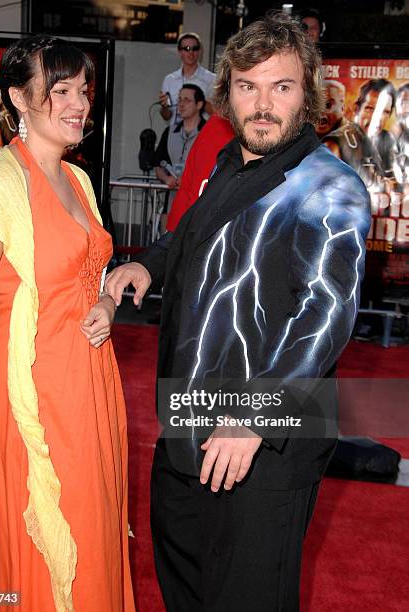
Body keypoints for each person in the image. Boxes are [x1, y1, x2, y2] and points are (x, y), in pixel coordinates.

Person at [105, 14, 371, 611]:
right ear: (228, 92)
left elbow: (326, 315)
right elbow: (192, 235)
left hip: (264, 443)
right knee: (187, 590)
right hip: (186, 419)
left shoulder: (331, 185)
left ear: (308, 96)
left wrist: (254, 416)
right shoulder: (227, 163)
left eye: (282, 87)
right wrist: (148, 266)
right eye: (249, 86)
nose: (264, 104)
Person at [0, 36, 134, 611]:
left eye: (83, 90)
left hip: (92, 389)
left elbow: (95, 274)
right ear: (18, 97)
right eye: (60, 91)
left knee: (96, 532)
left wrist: (107, 306)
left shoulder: (79, 181)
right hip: (31, 395)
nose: (78, 103)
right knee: (41, 545)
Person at [166, 113, 234, 232]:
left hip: (189, 222)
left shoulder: (218, 124)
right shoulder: (221, 125)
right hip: (192, 226)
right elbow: (201, 185)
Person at [317, 79, 383, 188]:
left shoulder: (350, 138)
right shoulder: (300, 134)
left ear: (342, 108)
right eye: (315, 106)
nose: (320, 113)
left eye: (328, 105)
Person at [154, 84, 206, 215]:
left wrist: (190, 179)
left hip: (198, 205)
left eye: (187, 100)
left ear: (199, 105)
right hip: (172, 202)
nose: (181, 104)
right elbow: (158, 164)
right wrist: (166, 179)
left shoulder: (208, 133)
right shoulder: (169, 132)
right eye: (179, 100)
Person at [158, 32, 215, 126]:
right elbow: (166, 116)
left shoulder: (211, 79)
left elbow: (217, 114)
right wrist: (164, 107)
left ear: (199, 51)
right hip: (176, 135)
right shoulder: (170, 80)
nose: (191, 52)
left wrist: (199, 101)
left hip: (201, 135)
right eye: (187, 49)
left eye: (195, 48)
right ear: (180, 52)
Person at [354, 78, 397, 179]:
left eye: (384, 112)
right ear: (357, 109)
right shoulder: (338, 143)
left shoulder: (391, 141)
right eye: (370, 109)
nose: (377, 118)